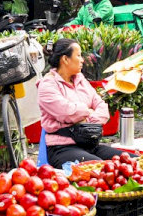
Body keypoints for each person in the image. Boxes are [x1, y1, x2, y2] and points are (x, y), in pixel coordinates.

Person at [37, 38, 122, 168]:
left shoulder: (80, 80)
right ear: (65, 59)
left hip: (89, 144)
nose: (82, 59)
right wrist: (88, 111)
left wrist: (85, 119)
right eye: (78, 55)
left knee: (132, 161)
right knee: (102, 169)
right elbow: (66, 112)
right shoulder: (47, 85)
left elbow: (103, 109)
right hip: (62, 149)